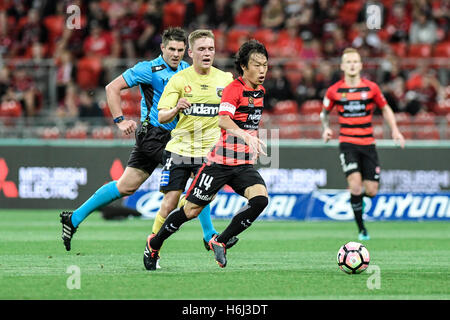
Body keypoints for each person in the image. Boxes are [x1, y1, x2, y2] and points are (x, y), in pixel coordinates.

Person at [60, 28, 222, 264]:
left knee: (126, 186)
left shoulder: (187, 70)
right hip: (154, 136)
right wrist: (119, 120)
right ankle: (208, 235)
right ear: (163, 48)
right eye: (172, 50)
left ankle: (73, 218)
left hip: (173, 136)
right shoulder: (148, 69)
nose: (176, 55)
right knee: (197, 172)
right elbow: (111, 88)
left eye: (180, 50)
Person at [143, 39, 269, 270]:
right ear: (243, 66)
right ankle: (155, 243)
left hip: (242, 163)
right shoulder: (233, 89)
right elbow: (223, 119)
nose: (262, 70)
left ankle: (220, 240)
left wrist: (251, 142)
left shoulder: (260, 91)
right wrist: (247, 137)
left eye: (265, 65)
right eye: (257, 65)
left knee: (260, 199)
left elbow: (249, 123)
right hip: (219, 163)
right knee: (190, 211)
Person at [320, 47, 405, 241]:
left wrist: (395, 130)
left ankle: (358, 201)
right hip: (347, 143)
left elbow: (386, 109)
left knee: (371, 191)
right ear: (342, 66)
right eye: (348, 62)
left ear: (360, 65)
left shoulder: (371, 88)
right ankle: (362, 229)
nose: (351, 65)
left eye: (355, 61)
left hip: (368, 144)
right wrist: (325, 128)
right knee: (355, 186)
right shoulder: (334, 91)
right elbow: (324, 112)